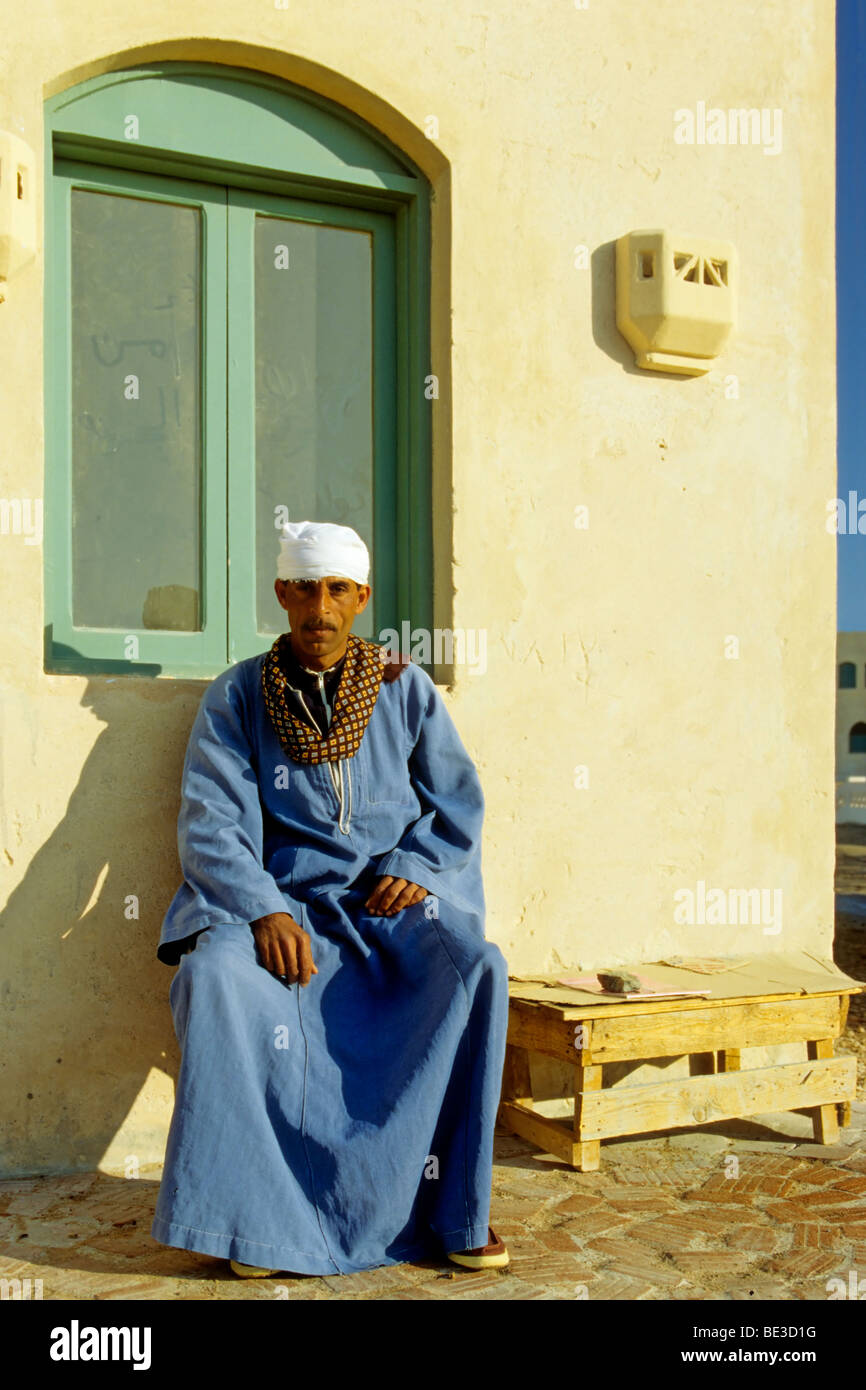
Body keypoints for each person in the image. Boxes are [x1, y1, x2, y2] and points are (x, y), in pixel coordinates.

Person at [150, 520, 510, 1277]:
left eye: (338, 589)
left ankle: (456, 1213)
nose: (321, 606)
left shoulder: (403, 687)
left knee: (475, 965)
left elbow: (457, 802)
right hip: (274, 905)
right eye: (306, 587)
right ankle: (255, 1225)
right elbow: (210, 822)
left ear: (362, 598)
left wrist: (418, 861)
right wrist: (264, 909)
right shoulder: (239, 695)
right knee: (215, 979)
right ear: (282, 593)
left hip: (381, 907)